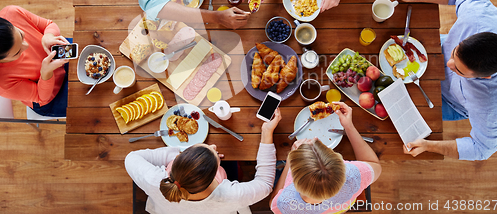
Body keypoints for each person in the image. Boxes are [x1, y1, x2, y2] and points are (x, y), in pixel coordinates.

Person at [391, 0, 497, 160]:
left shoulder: (490, 106)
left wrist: (428, 145)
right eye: (454, 53)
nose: (447, 64)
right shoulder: (478, 16)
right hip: (431, 50)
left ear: (486, 77)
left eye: (458, 69)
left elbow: (482, 149)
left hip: (448, 101)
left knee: (395, 115)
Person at [125, 109, 282, 214]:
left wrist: (179, 153)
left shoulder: (154, 182)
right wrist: (267, 132)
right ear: (215, 175)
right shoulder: (230, 195)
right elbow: (265, 184)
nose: (213, 146)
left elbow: (131, 158)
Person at [270, 103, 381, 213]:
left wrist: (290, 160)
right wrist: (348, 126)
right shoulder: (353, 175)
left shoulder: (285, 202)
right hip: (339, 208)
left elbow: (273, 203)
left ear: (294, 178)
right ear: (340, 161)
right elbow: (374, 164)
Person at [0, 5, 70, 117]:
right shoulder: (3, 83)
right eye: (18, 52)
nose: (26, 46)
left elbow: (49, 24)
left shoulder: (12, 13)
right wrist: (46, 73)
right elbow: (41, 97)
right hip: (52, 97)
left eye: (21, 35)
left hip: (58, 52)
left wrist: (48, 35)